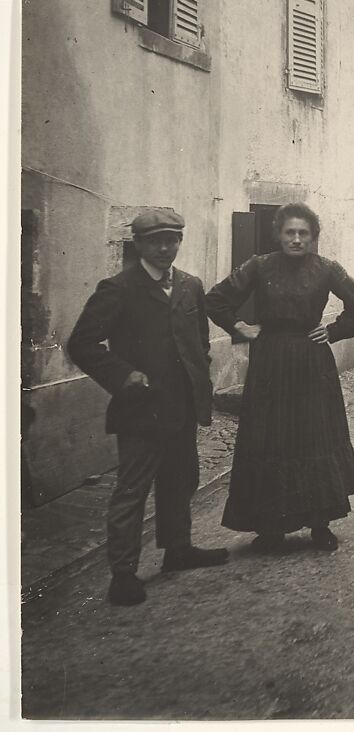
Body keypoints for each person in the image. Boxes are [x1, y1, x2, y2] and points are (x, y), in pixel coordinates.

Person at [67, 210, 228, 606]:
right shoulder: (118, 288)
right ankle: (123, 574)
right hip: (141, 410)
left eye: (171, 239)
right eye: (155, 240)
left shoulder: (190, 286)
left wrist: (199, 377)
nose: (164, 248)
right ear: (137, 244)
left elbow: (199, 341)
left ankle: (178, 550)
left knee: (181, 479)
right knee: (133, 490)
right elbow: (82, 343)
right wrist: (124, 376)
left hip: (182, 407)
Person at [206, 203, 354, 553]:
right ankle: (270, 528)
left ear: (313, 237)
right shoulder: (259, 265)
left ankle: (320, 525)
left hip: (312, 363)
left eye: (303, 233)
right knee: (270, 439)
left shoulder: (326, 269)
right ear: (278, 234)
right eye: (289, 232)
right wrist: (239, 327)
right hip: (269, 363)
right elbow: (217, 300)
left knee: (314, 438)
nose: (296, 239)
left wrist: (333, 330)